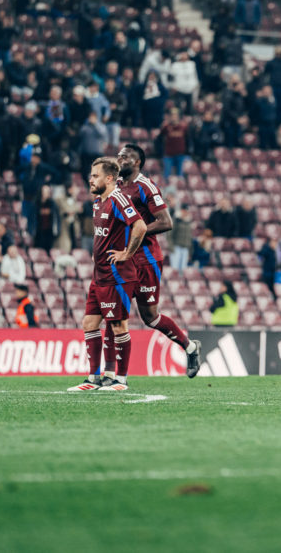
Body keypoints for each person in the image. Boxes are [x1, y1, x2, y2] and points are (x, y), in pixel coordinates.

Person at [101, 145, 200, 378]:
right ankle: (109, 374)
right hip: (122, 259)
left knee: (151, 317)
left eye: (125, 157)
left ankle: (190, 347)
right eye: (119, 156)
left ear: (137, 163)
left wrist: (136, 233)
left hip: (146, 260)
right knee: (114, 313)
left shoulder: (146, 186)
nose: (120, 159)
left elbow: (166, 222)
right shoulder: (116, 186)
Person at [67, 157, 148, 392]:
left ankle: (120, 379)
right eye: (91, 176)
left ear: (110, 178)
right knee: (89, 323)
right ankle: (93, 378)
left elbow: (140, 226)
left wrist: (126, 253)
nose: (90, 180)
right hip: (99, 275)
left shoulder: (119, 200)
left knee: (119, 325)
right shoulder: (97, 203)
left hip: (118, 276)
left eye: (95, 176)